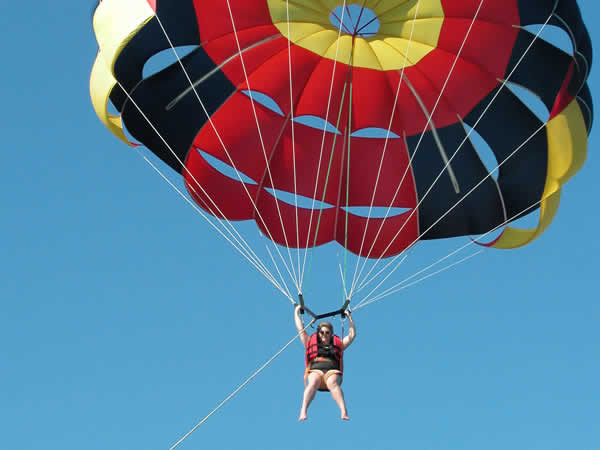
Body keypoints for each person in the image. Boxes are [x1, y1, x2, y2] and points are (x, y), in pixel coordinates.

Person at [294, 305, 356, 421]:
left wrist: (349, 318)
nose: (324, 335)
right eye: (321, 332)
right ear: (318, 333)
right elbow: (300, 328)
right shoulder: (309, 342)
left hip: (332, 371)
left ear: (331, 333)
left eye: (327, 332)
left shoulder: (338, 344)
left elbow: (352, 336)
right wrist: (296, 311)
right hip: (316, 369)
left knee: (332, 383)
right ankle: (303, 411)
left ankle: (343, 411)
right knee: (313, 382)